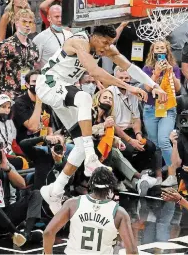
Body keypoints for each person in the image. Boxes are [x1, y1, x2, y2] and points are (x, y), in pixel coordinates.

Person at [37, 25, 167, 214]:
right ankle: (91, 157)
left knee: (80, 145)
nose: (107, 48)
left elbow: (130, 67)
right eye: (105, 43)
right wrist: (130, 88)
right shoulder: (79, 41)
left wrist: (154, 85)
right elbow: (96, 72)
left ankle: (55, 190)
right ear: (95, 37)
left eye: (110, 44)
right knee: (84, 97)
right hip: (49, 83)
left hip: (63, 89)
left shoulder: (106, 48)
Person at [43, 167, 138, 254]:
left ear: (90, 184)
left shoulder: (72, 204)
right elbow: (132, 251)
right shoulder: (119, 213)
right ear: (111, 186)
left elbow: (48, 233)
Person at [91, 89, 157, 196]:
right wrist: (103, 126)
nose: (108, 100)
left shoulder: (107, 116)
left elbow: (108, 136)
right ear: (97, 99)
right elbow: (85, 131)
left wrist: (117, 141)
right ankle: (139, 178)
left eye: (110, 99)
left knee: (118, 150)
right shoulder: (91, 112)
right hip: (85, 146)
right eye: (105, 98)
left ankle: (137, 182)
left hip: (101, 147)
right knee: (115, 152)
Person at [0, 139, 43, 247]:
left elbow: (22, 185)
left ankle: (26, 234)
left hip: (5, 214)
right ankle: (16, 233)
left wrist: (7, 168)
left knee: (36, 194)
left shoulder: (2, 164)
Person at [142, 40, 181, 181]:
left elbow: (177, 89)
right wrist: (157, 72)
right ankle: (158, 176)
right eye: (157, 48)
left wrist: (170, 73)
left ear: (167, 51)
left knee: (164, 140)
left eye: (162, 48)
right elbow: (146, 88)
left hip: (168, 108)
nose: (159, 50)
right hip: (151, 108)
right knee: (155, 144)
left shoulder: (174, 67)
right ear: (153, 51)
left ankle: (173, 173)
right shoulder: (147, 68)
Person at [108, 66, 157, 175]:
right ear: (115, 77)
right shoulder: (109, 93)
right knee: (127, 149)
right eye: (121, 78)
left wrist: (138, 135)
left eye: (126, 78)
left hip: (131, 130)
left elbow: (136, 118)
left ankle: (141, 174)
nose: (124, 81)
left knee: (149, 146)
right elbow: (112, 124)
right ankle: (127, 178)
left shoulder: (133, 92)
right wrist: (131, 141)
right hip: (115, 132)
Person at [0, 9, 39, 99]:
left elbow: (35, 69)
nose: (27, 25)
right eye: (24, 21)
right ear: (17, 23)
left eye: (30, 22)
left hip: (28, 95)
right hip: (9, 94)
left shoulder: (34, 46)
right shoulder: (5, 45)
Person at [13, 70, 53, 144]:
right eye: (34, 81)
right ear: (27, 85)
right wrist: (38, 101)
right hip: (29, 146)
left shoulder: (46, 101)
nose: (37, 84)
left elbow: (49, 126)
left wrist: (52, 139)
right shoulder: (19, 103)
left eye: (39, 81)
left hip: (45, 143)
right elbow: (33, 128)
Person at [33, 5, 73, 69]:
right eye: (56, 17)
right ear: (49, 18)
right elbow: (34, 63)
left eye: (62, 17)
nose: (60, 20)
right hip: (49, 77)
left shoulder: (70, 35)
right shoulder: (40, 38)